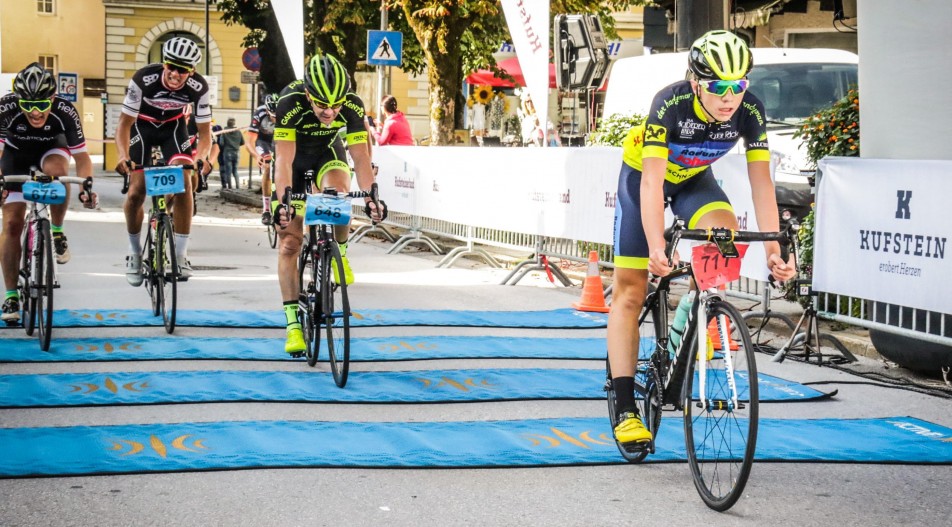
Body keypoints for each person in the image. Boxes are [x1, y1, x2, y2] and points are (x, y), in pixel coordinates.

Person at [607, 30, 796, 446]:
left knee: (726, 233)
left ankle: (689, 315)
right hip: (644, 181)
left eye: (739, 85)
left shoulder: (750, 111)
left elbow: (762, 184)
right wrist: (657, 245)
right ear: (696, 82)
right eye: (719, 87)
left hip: (694, 181)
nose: (731, 97)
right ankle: (624, 407)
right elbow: (653, 182)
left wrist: (773, 250)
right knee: (631, 291)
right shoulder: (670, 103)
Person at [272, 53, 386, 355]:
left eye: (336, 104)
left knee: (339, 192)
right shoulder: (290, 102)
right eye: (322, 104)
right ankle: (293, 325)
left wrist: (372, 194)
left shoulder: (350, 104)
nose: (330, 111)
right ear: (309, 94)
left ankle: (341, 253)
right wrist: (282, 201)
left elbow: (361, 157)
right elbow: (283, 160)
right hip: (295, 161)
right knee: (290, 243)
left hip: (326, 153)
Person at [0, 62, 98, 323]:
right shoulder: (5, 108)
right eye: (28, 105)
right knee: (11, 224)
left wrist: (86, 186)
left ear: (52, 99)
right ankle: (11, 294)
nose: (34, 113)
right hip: (14, 155)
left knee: (58, 174)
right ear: (18, 100)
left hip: (51, 149)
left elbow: (82, 157)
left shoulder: (65, 110)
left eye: (42, 105)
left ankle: (55, 231)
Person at [114, 36, 214, 285]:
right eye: (172, 66)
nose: (176, 74)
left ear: (192, 71)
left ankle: (180, 255)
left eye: (184, 70)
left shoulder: (199, 87)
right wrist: (123, 155)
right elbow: (124, 124)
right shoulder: (143, 79)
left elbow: (204, 133)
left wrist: (201, 158)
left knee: (185, 182)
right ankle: (135, 252)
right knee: (137, 191)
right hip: (143, 128)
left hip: (173, 128)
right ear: (164, 63)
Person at [245, 93, 277, 223]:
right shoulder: (260, 112)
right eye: (273, 116)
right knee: (268, 167)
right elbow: (249, 141)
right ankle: (266, 210)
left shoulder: (287, 110)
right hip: (262, 141)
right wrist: (256, 156)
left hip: (279, 139)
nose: (276, 119)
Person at [219, 117, 244, 190]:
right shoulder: (238, 132)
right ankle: (237, 186)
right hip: (236, 152)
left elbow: (221, 143)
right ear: (234, 124)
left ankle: (230, 187)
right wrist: (235, 145)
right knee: (235, 170)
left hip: (227, 152)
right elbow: (243, 142)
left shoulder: (224, 132)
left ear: (227, 123)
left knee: (228, 171)